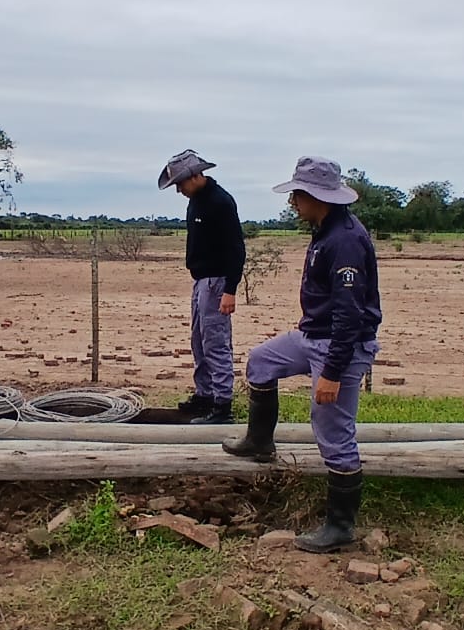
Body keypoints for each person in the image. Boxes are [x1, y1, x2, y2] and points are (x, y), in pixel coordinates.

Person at [223, 156, 382, 553]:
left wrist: (331, 372)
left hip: (339, 346)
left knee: (332, 432)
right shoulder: (325, 230)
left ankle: (340, 527)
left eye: (297, 194)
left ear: (317, 197)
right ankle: (260, 442)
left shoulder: (345, 240)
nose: (292, 202)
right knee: (261, 362)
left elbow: (350, 314)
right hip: (314, 334)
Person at [157, 149, 246, 424]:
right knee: (199, 341)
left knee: (216, 343)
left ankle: (222, 405)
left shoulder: (221, 202)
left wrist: (230, 290)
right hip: (200, 281)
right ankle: (205, 395)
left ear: (195, 176)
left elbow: (236, 249)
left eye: (180, 183)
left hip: (217, 282)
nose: (179, 190)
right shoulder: (195, 201)